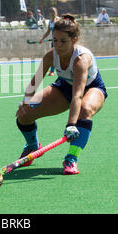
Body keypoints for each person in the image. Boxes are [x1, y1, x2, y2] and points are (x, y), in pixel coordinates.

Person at [15, 14, 107, 175]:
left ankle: (71, 158)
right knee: (25, 114)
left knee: (84, 110)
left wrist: (71, 125)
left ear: (74, 39)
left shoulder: (81, 60)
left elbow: (77, 95)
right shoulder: (51, 55)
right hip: (64, 87)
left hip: (91, 88)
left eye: (63, 41)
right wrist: (25, 101)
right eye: (55, 40)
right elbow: (34, 82)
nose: (58, 45)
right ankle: (33, 146)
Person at [39, 7, 60, 76]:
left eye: (54, 12)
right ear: (50, 13)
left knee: (60, 55)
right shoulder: (50, 21)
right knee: (53, 56)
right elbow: (48, 32)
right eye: (51, 12)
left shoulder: (59, 20)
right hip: (54, 42)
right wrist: (42, 38)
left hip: (60, 41)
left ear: (56, 12)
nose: (53, 13)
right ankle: (52, 71)